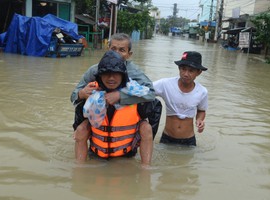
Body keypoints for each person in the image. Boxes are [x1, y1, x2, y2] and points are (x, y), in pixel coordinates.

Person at [70, 33, 162, 161]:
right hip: (100, 118)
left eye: (122, 50)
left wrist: (120, 96)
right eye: (114, 49)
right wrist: (82, 93)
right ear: (108, 49)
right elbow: (74, 95)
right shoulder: (94, 70)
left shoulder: (134, 72)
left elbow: (151, 94)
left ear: (129, 54)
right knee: (81, 129)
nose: (117, 53)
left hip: (126, 118)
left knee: (146, 127)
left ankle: (144, 166)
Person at [153, 51, 208, 146]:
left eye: (191, 70)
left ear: (198, 72)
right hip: (167, 138)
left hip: (189, 141)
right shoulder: (165, 84)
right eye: (183, 69)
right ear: (179, 68)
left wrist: (199, 120)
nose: (186, 74)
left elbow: (201, 110)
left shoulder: (202, 92)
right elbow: (145, 91)